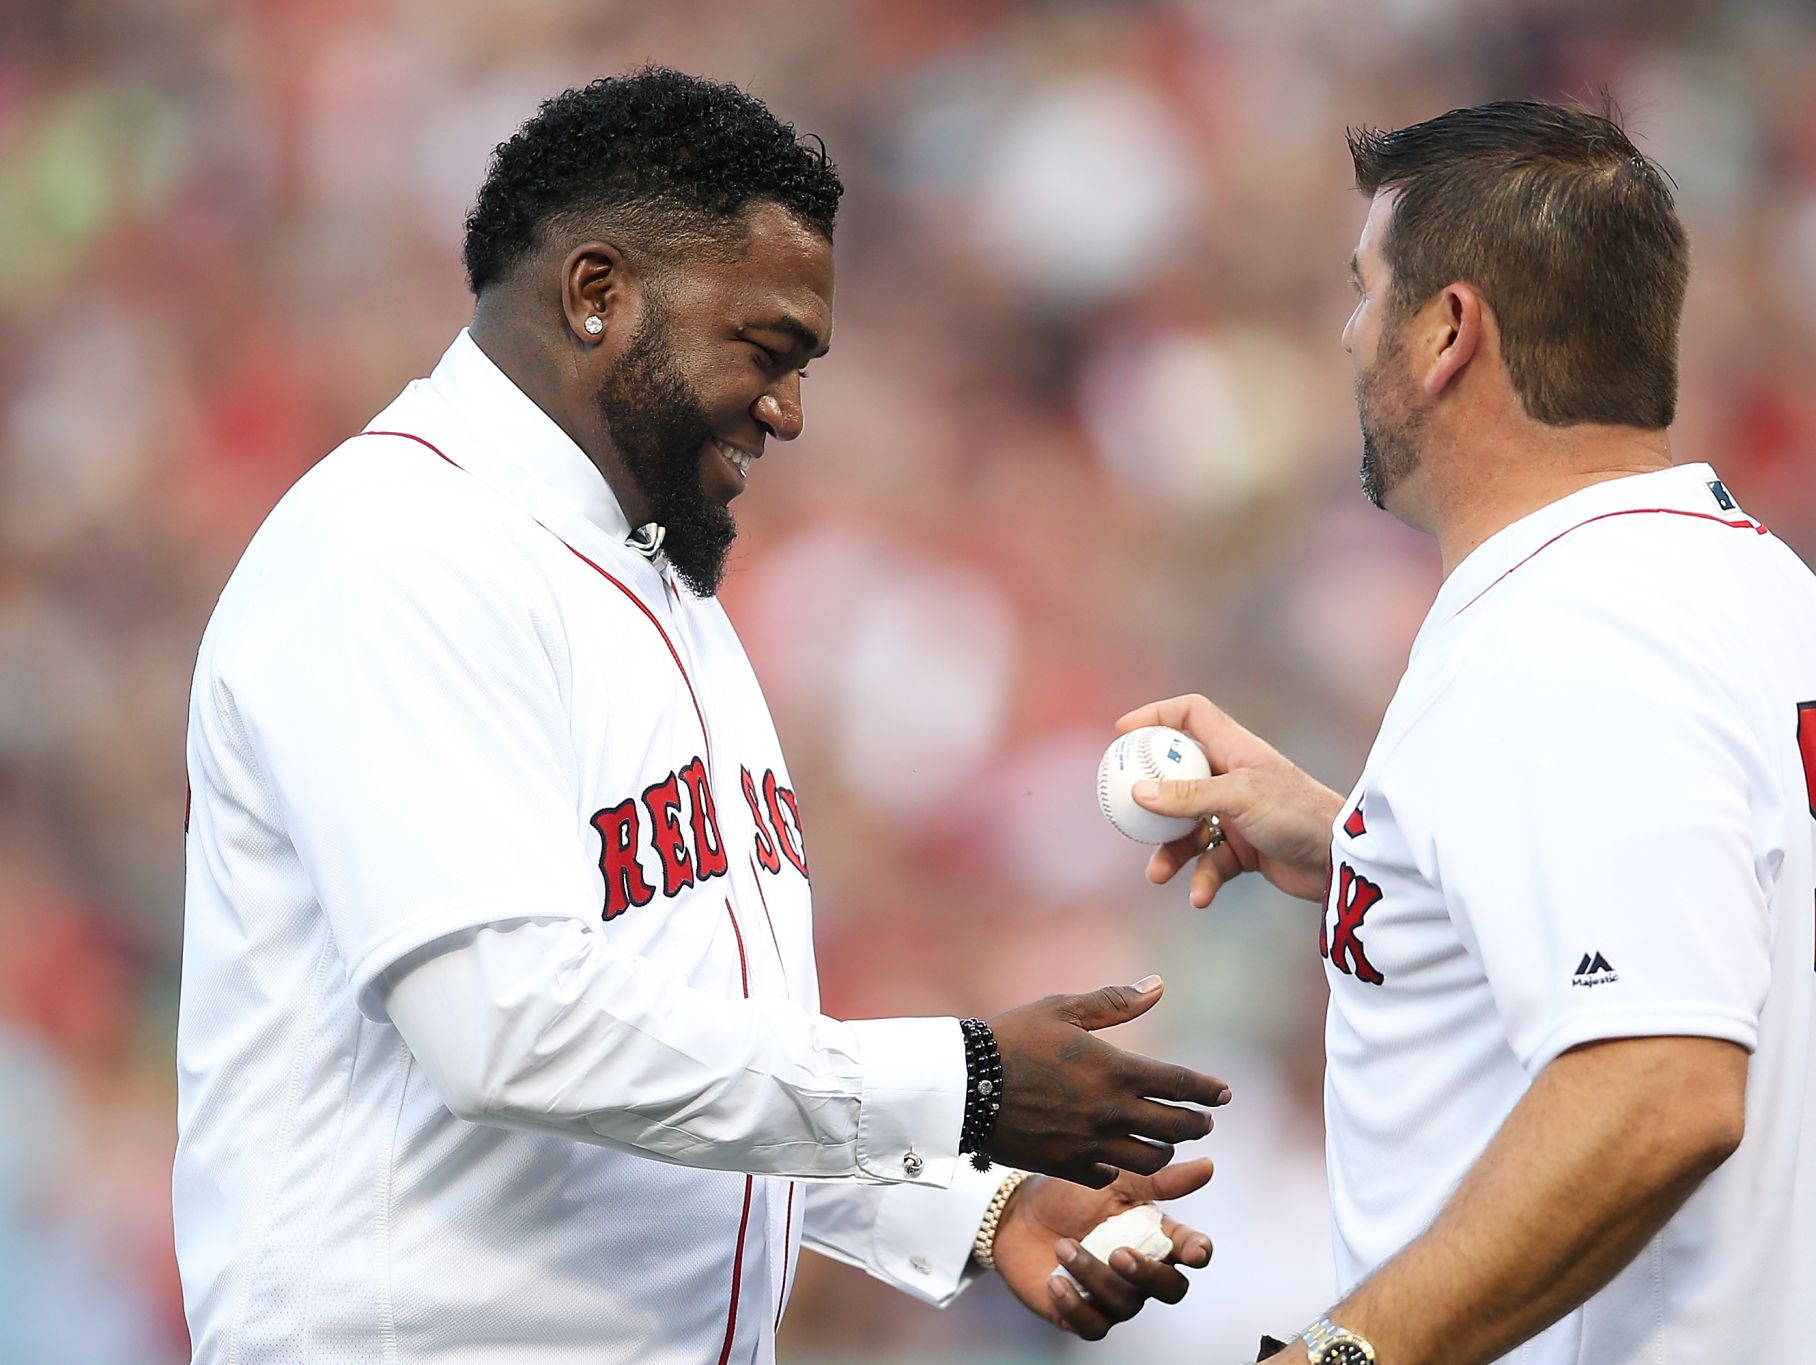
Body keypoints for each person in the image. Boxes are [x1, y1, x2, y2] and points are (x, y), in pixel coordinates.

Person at [173, 68, 1229, 1364]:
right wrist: (967, 1084)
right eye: (767, 348)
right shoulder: (398, 550)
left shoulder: (660, 582)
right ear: (597, 293)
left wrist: (967, 1198)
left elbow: (682, 1058)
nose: (788, 409)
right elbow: (506, 1030)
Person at [1123, 99, 1816, 1364]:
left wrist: (1344, 1355)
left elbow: (1658, 1088)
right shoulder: (1753, 585)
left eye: (1364, 292)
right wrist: (1365, 853)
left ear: (1448, 330)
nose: (1350, 336)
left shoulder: (1570, 628)